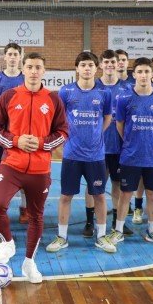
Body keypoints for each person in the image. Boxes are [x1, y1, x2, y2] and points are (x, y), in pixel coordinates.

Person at [0, 53, 68, 284]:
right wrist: (16, 141)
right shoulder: (9, 96)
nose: (34, 71)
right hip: (11, 164)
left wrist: (42, 144)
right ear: (23, 70)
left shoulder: (53, 100)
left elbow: (63, 132)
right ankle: (8, 243)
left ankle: (29, 263)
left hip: (40, 170)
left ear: (44, 71)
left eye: (38, 67)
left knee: (36, 217)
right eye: (30, 67)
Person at [48, 52, 115, 254]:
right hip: (72, 155)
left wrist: (94, 135)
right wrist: (66, 143)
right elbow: (57, 120)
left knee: (100, 196)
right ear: (77, 68)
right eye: (83, 65)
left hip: (95, 156)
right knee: (66, 196)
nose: (87, 68)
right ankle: (61, 236)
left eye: (91, 65)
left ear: (97, 68)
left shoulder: (104, 93)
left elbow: (107, 119)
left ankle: (101, 236)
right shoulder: (66, 92)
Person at [109, 57, 153, 248]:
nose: (144, 75)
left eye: (147, 71)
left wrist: (151, 140)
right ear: (133, 74)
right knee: (125, 194)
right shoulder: (124, 98)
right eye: (140, 72)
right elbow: (119, 124)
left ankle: (152, 231)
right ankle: (118, 231)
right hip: (130, 155)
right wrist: (130, 140)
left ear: (152, 74)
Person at [95, 50, 132, 236]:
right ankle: (89, 222)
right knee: (96, 187)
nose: (110, 65)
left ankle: (118, 223)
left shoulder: (127, 90)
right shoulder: (93, 87)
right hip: (97, 148)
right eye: (106, 61)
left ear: (118, 64)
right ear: (101, 65)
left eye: (113, 62)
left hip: (119, 147)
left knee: (118, 185)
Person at [0, 43, 25, 221]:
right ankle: (1, 205)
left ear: (20, 57)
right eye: (9, 54)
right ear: (5, 57)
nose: (12, 57)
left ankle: (24, 207)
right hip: (4, 134)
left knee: (26, 169)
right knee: (2, 168)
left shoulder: (26, 77)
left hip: (23, 133)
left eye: (15, 54)